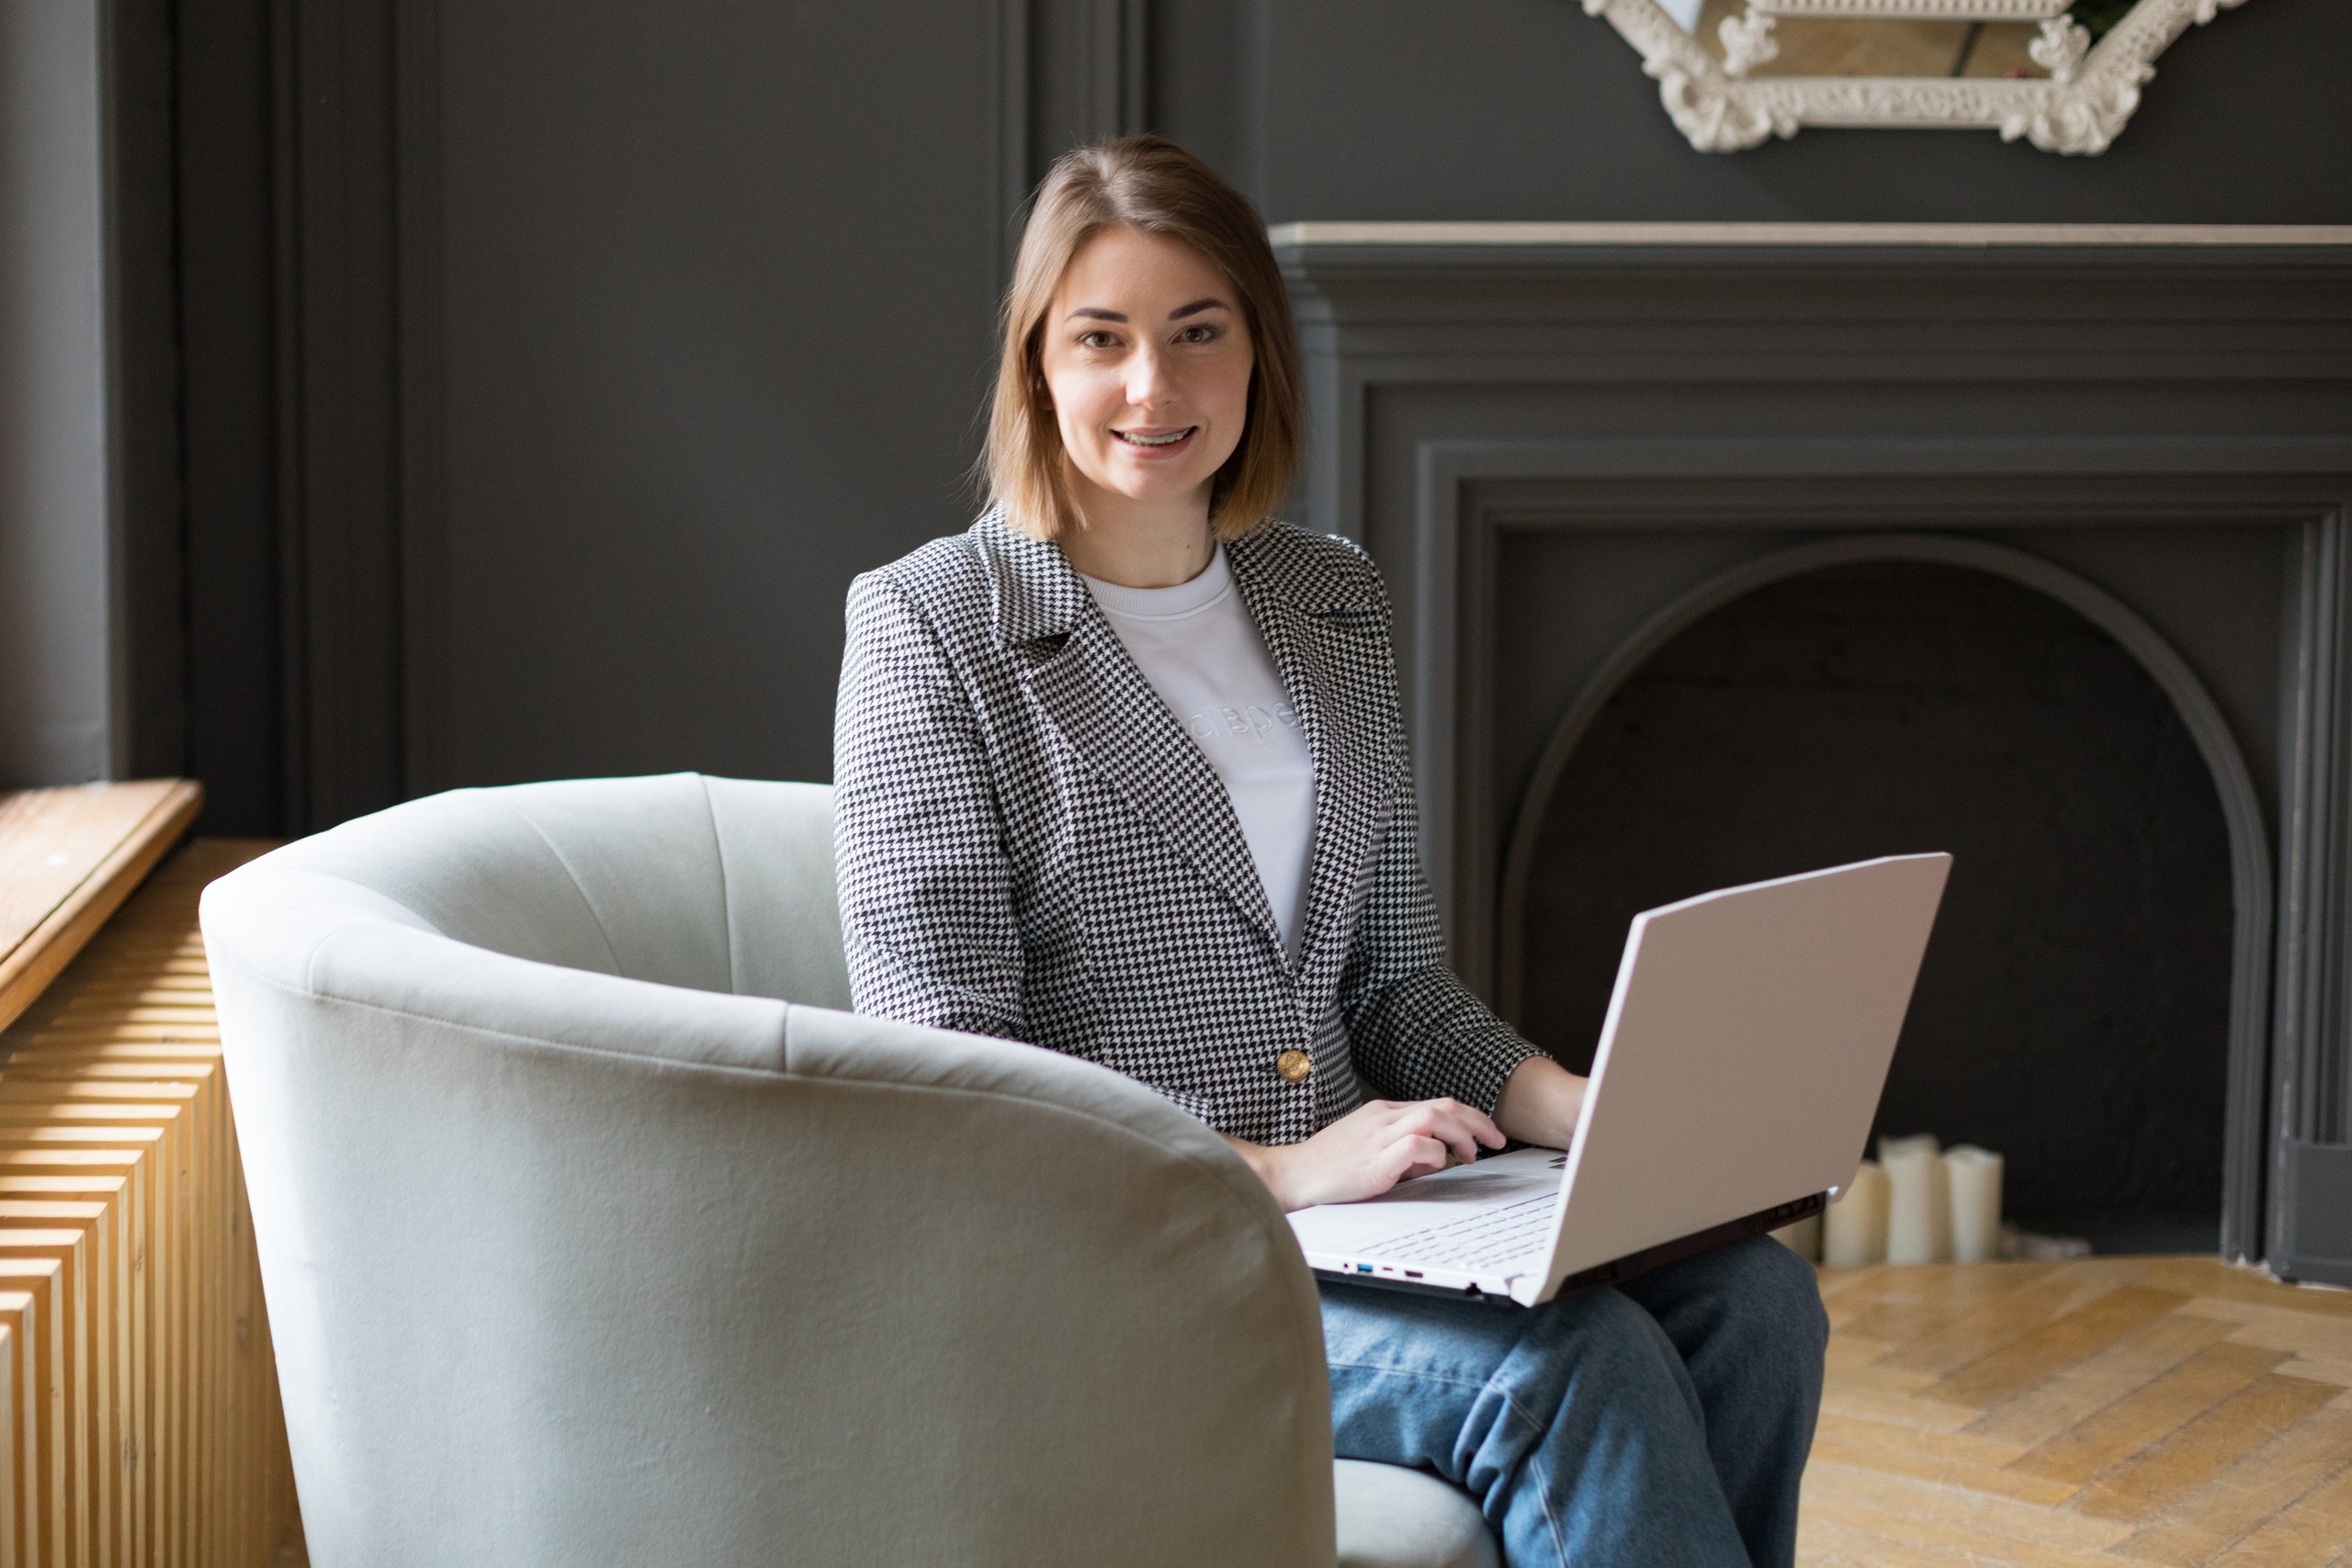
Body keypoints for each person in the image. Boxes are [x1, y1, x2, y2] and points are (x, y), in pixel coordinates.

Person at [832, 132, 1827, 1568]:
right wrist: (1285, 1171)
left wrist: (1589, 1112)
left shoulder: (1332, 598)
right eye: (1100, 339)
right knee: (1575, 1369)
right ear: (1037, 364)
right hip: (1123, 1255)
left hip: (1384, 1226)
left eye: (1198, 334)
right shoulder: (932, 629)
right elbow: (954, 1088)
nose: (1152, 389)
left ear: (1259, 356)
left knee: (1759, 1305)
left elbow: (1392, 988)